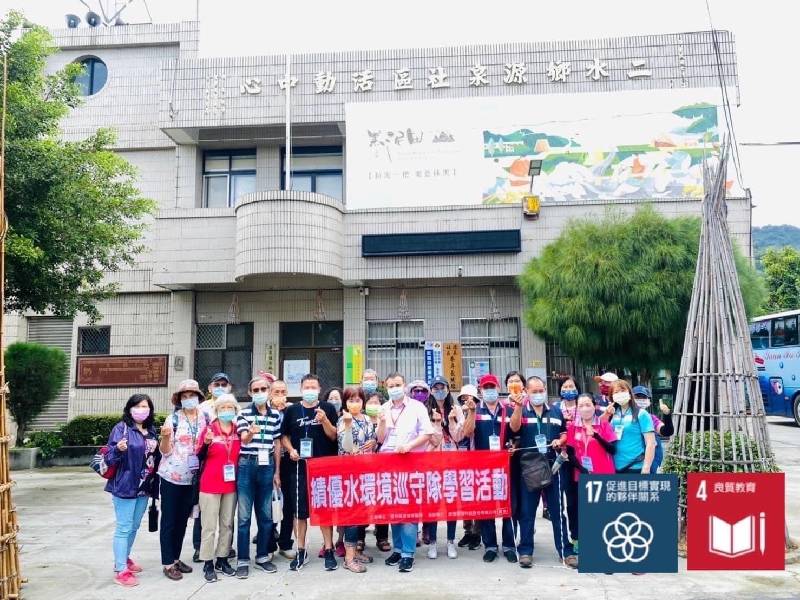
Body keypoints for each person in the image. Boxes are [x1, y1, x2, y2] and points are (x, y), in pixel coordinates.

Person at [510, 376, 578, 569]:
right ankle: (525, 551)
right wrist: (518, 407)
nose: (538, 394)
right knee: (527, 511)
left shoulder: (555, 411)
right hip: (529, 467)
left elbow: (564, 432)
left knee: (557, 511)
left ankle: (566, 551)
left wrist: (560, 441)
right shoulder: (522, 410)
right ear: (526, 392)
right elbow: (514, 428)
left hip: (553, 466)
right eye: (534, 391)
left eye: (541, 391)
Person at [281, 373, 339, 571]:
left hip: (322, 467)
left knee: (323, 510)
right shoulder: (292, 410)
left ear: (319, 389)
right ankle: (301, 550)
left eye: (313, 387)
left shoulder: (328, 408)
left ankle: (329, 549)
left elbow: (334, 436)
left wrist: (324, 421)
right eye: (307, 387)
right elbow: (284, 436)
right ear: (301, 388)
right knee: (299, 511)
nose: (310, 391)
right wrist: (291, 450)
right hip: (299, 467)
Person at [377, 372, 434, 573]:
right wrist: (381, 422)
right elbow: (380, 439)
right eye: (391, 386)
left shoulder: (417, 407)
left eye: (398, 384)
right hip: (388, 463)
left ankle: (408, 553)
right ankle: (398, 549)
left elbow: (428, 433)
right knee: (394, 508)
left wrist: (409, 446)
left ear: (404, 385)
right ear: (386, 388)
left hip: (410, 462)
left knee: (409, 508)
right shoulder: (384, 408)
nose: (394, 388)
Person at [462, 373, 517, 564]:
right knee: (487, 508)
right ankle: (490, 546)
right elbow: (467, 432)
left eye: (492, 387)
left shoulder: (508, 409)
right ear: (480, 390)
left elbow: (516, 434)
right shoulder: (475, 409)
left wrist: (513, 446)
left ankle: (509, 546)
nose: (489, 390)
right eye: (486, 388)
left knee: (508, 507)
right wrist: (470, 412)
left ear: (498, 388)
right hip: (483, 467)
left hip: (505, 466)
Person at [105, 394, 159, 587]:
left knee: (134, 526)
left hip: (144, 487)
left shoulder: (151, 430)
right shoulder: (121, 428)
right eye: (137, 406)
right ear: (129, 409)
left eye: (145, 406)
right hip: (125, 485)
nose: (141, 410)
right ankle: (120, 570)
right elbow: (108, 458)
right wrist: (118, 449)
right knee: (123, 527)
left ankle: (124, 558)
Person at [157, 379, 209, 581]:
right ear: (179, 400)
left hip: (193, 479)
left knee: (182, 521)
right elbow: (165, 451)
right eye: (184, 396)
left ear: (198, 397)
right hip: (171, 476)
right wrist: (165, 437)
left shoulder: (205, 417)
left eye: (192, 395)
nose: (188, 399)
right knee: (169, 520)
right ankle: (167, 563)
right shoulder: (173, 419)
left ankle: (176, 558)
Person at [235, 376, 282, 578]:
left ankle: (262, 556)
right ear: (250, 393)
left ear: (269, 391)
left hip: (267, 465)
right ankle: (243, 559)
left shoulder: (275, 415)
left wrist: (277, 471)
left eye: (264, 389)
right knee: (244, 517)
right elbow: (243, 439)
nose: (260, 393)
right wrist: (251, 433)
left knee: (266, 516)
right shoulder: (243, 413)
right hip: (247, 464)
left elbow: (277, 443)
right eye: (256, 390)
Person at [196, 393, 241, 583]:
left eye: (230, 407)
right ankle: (208, 562)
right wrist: (206, 443)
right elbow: (199, 455)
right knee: (208, 526)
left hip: (230, 485)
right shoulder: (209, 429)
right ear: (216, 410)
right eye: (222, 407)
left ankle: (222, 559)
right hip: (210, 484)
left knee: (227, 524)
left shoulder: (238, 429)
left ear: (235, 410)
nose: (226, 410)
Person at [565, 392, 618, 549]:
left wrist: (596, 436)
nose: (585, 408)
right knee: (580, 510)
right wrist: (582, 470)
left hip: (603, 474)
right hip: (581, 475)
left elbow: (613, 449)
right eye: (581, 406)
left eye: (588, 405)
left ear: (595, 406)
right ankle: (578, 540)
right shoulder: (573, 427)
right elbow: (570, 453)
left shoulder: (604, 425)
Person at [192, 372, 233, 562]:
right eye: (217, 385)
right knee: (206, 520)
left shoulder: (236, 421)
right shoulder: (204, 418)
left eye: (224, 384)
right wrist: (206, 443)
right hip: (208, 475)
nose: (220, 388)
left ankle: (224, 553)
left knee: (227, 521)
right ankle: (203, 554)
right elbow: (198, 449)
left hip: (229, 479)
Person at [337, 386, 378, 572]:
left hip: (366, 472)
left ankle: (356, 552)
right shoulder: (343, 420)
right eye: (350, 400)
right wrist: (347, 426)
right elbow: (345, 446)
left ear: (363, 402)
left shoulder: (367, 419)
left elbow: (372, 440)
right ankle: (349, 558)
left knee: (362, 513)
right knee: (351, 515)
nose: (354, 403)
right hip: (348, 474)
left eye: (358, 400)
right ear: (345, 403)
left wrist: (373, 442)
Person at [423, 376, 464, 559]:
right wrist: (437, 423)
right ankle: (432, 542)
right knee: (432, 501)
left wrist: (452, 420)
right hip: (431, 461)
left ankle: (450, 541)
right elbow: (433, 440)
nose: (439, 391)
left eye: (443, 387)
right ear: (431, 391)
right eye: (436, 388)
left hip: (451, 461)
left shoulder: (456, 409)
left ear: (448, 389)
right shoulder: (425, 410)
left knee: (450, 501)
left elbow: (458, 437)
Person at [266, 379, 296, 560]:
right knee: (269, 503)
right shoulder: (265, 410)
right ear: (270, 394)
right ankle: (268, 544)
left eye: (283, 392)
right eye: (276, 392)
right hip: (269, 461)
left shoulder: (291, 410)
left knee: (289, 503)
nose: (280, 395)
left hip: (289, 460)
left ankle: (285, 543)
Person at [361, 369, 391, 553]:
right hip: (363, 466)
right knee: (362, 500)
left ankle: (382, 537)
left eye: (376, 403)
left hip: (382, 465)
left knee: (382, 500)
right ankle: (359, 538)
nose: (373, 405)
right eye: (370, 403)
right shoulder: (360, 419)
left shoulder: (385, 419)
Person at [602, 380, 656, 474]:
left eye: (623, 390)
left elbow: (651, 443)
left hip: (635, 466)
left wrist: (646, 467)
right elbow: (600, 430)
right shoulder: (612, 414)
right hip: (614, 466)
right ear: (612, 397)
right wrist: (606, 414)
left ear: (630, 393)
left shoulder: (641, 414)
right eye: (616, 392)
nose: (620, 394)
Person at [553, 377, 580, 544]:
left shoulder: (583, 406)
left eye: (571, 386)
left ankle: (576, 536)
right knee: (558, 500)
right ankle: (563, 539)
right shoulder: (555, 408)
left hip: (578, 459)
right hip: (560, 458)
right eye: (565, 387)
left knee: (574, 501)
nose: (568, 389)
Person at [454, 384, 480, 551]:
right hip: (461, 461)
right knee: (465, 498)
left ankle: (477, 533)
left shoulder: (480, 413)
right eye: (463, 398)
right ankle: (468, 530)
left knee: (477, 498)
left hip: (477, 461)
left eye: (469, 397)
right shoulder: (458, 415)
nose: (466, 401)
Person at [322, 387, 346, 558]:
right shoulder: (321, 416)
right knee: (327, 506)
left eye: (337, 398)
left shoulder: (346, 417)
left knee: (342, 506)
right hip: (326, 465)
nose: (334, 401)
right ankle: (327, 543)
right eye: (331, 398)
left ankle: (340, 541)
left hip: (343, 465)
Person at [632, 385, 673, 472]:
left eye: (644, 397)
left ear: (648, 401)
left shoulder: (650, 418)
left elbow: (666, 431)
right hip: (630, 462)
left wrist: (667, 414)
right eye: (637, 397)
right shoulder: (624, 418)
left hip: (650, 462)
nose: (641, 400)